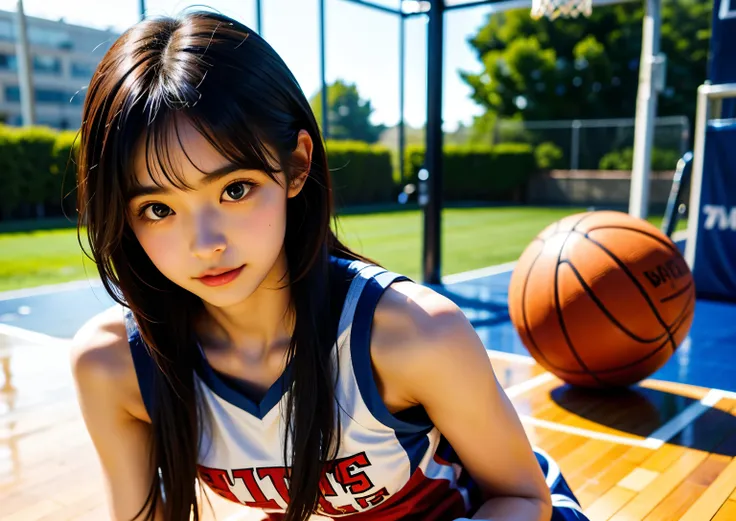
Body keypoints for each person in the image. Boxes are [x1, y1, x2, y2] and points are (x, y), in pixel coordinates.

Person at [70, 9, 589, 521]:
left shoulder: (414, 335)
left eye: (235, 189)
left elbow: (522, 498)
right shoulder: (116, 366)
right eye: (158, 209)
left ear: (296, 166)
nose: (205, 244)